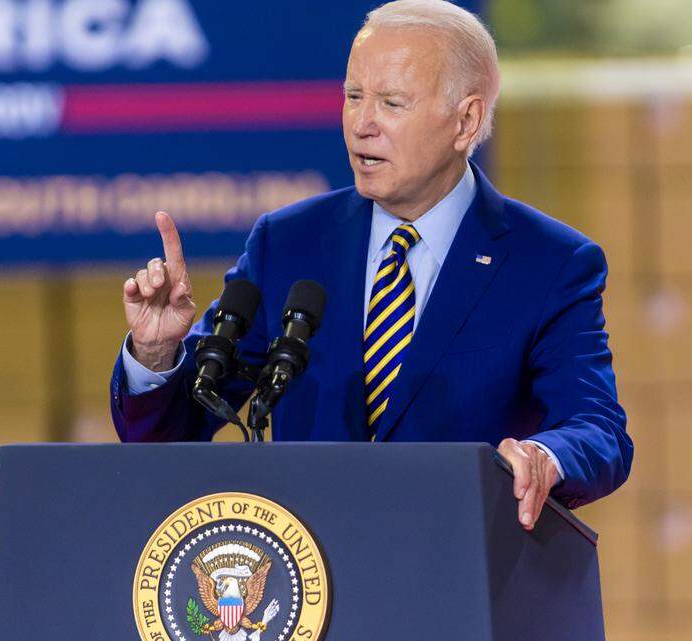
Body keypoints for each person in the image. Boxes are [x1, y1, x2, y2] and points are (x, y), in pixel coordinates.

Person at [110, 0, 632, 529]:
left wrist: (545, 458)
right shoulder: (288, 243)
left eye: (391, 102)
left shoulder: (549, 263)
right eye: (353, 96)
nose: (361, 124)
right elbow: (171, 433)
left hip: (466, 577)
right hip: (307, 587)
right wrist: (155, 355)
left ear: (466, 120)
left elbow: (598, 427)